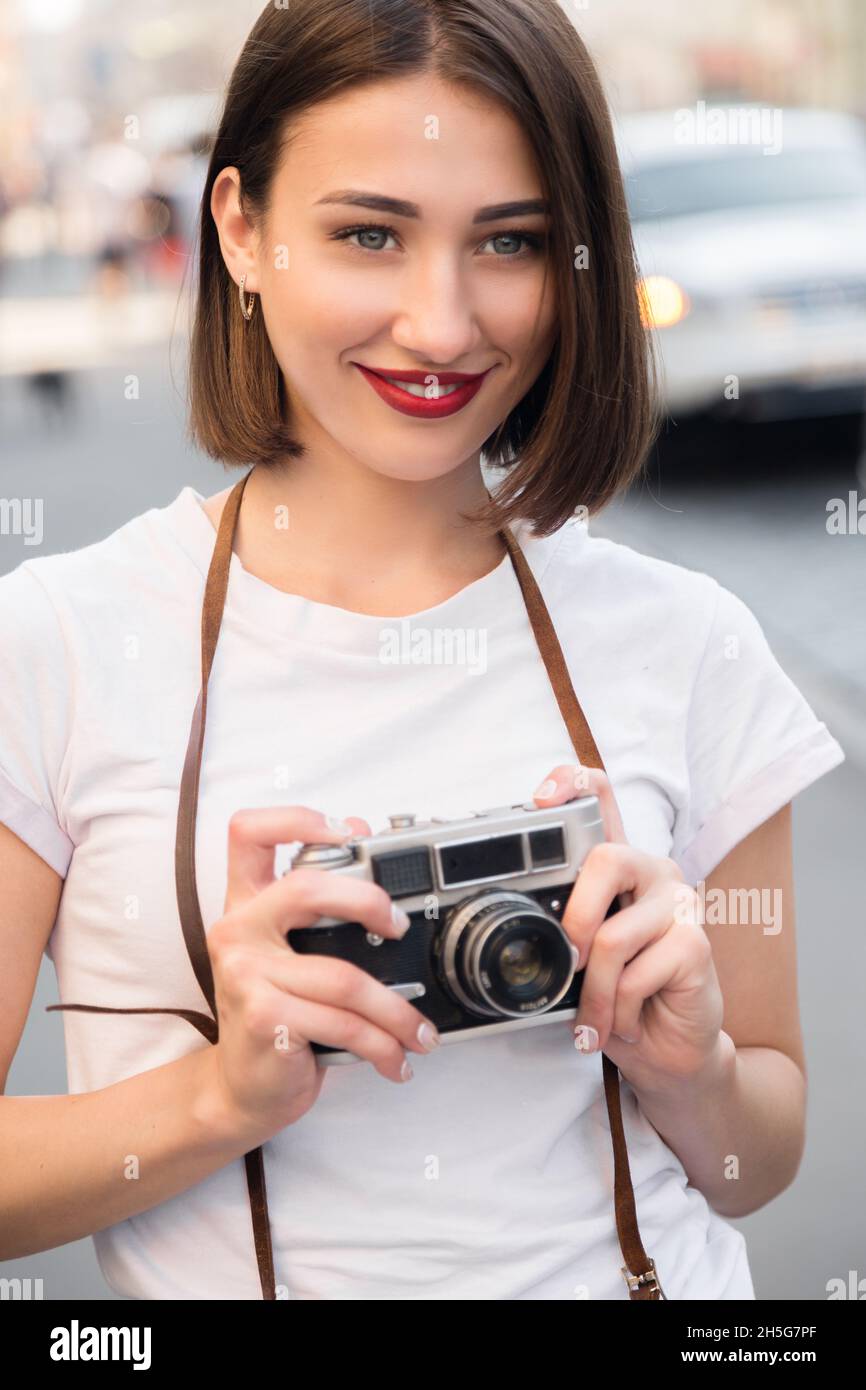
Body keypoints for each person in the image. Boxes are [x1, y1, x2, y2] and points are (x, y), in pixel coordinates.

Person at [0, 0, 845, 1301]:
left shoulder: (690, 643)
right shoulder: (53, 646)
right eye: (368, 233)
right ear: (239, 227)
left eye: (506, 241)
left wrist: (690, 1066)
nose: (441, 325)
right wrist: (220, 1095)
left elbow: (754, 1164)